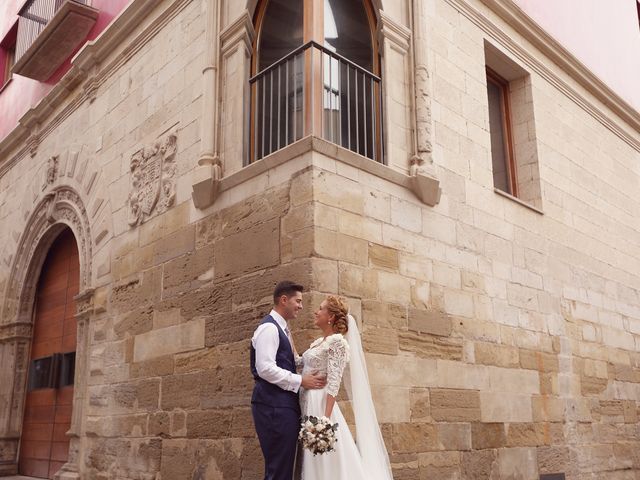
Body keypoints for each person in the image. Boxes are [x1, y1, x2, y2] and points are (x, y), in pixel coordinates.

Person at [298, 296, 394, 480]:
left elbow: (334, 382)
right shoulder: (319, 343)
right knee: (313, 458)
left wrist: (325, 420)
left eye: (320, 309)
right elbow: (298, 362)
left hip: (320, 405)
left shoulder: (337, 343)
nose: (316, 312)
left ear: (331, 317)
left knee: (323, 458)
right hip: (307, 402)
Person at [250, 280, 327, 480]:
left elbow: (288, 362)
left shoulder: (283, 329)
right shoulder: (270, 329)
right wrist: (301, 381)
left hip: (281, 405)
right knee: (279, 470)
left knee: (282, 468)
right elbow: (265, 368)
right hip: (273, 406)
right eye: (298, 301)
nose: (301, 306)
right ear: (284, 300)